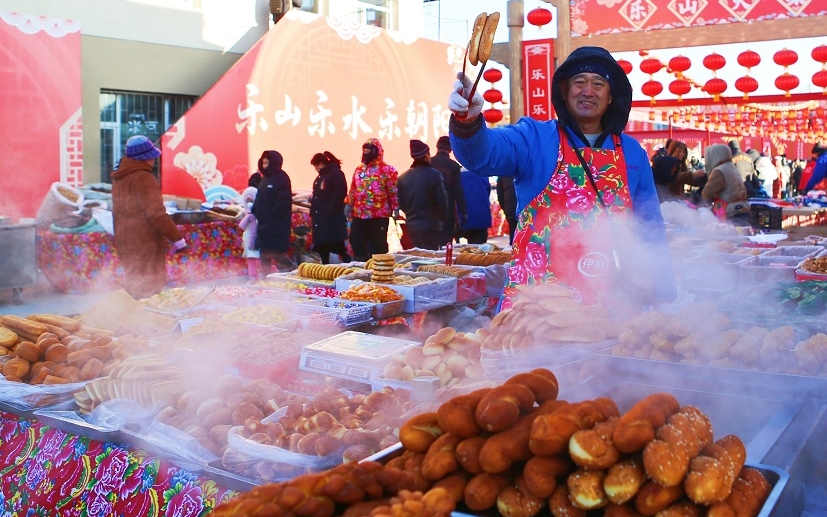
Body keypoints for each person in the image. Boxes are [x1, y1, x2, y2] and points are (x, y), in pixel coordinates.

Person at [448, 45, 676, 308]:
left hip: (611, 303)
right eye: (579, 82)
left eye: (599, 84)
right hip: (535, 305)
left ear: (612, 96)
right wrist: (468, 122)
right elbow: (483, 156)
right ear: (564, 91)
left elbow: (649, 227)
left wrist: (661, 294)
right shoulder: (533, 137)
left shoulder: (632, 152)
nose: (588, 91)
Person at [111, 135, 186, 299]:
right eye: (152, 156)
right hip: (144, 241)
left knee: (134, 281)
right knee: (148, 287)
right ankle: (147, 320)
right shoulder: (144, 178)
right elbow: (156, 213)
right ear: (145, 158)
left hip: (125, 239)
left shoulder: (120, 178)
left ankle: (131, 318)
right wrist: (177, 238)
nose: (154, 160)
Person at [346, 138, 398, 261]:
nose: (366, 153)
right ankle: (360, 264)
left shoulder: (388, 170)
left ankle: (379, 269)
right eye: (365, 150)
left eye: (370, 150)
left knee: (378, 246)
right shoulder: (359, 169)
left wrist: (396, 208)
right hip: (360, 215)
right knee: (355, 239)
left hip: (379, 216)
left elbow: (394, 192)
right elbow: (353, 188)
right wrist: (349, 204)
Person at [396, 140, 449, 250]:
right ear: (426, 156)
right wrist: (443, 219)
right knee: (430, 261)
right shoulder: (435, 175)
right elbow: (442, 201)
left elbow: (401, 203)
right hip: (432, 226)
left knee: (418, 258)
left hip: (412, 226)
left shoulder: (403, 178)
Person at [252, 150, 295, 275]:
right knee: (264, 253)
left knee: (276, 252)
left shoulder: (282, 178)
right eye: (263, 163)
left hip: (277, 224)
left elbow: (284, 201)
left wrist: (272, 213)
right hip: (264, 224)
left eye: (267, 163)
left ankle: (293, 270)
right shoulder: (264, 179)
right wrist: (255, 210)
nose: (265, 166)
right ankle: (265, 279)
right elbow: (259, 198)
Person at [309, 151, 351, 264]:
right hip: (321, 219)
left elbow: (339, 194)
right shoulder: (321, 177)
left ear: (323, 163)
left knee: (337, 247)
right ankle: (325, 267)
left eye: (317, 165)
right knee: (323, 247)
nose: (316, 168)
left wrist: (330, 210)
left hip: (331, 219)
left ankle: (347, 264)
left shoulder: (336, 174)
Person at [430, 135, 467, 245]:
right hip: (447, 210)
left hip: (429, 209)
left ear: (437, 147)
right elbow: (457, 191)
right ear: (450, 149)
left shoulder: (429, 163)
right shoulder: (454, 166)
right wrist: (463, 211)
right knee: (445, 244)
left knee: (430, 245)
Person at [701, 144, 750, 223]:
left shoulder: (719, 171)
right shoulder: (731, 167)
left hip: (729, 212)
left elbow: (707, 194)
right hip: (741, 207)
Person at [459, 168, 492, 244]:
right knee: (481, 244)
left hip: (466, 214)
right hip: (481, 213)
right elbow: (488, 189)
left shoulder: (460, 175)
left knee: (470, 242)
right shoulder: (482, 172)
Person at [238, 186, 261, 281]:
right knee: (251, 260)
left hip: (257, 240)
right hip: (249, 240)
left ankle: (266, 276)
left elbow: (241, 226)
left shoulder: (260, 212)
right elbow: (242, 226)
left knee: (259, 261)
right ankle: (253, 279)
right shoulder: (245, 213)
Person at [495, 176, 518, 244]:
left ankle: (513, 250)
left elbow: (500, 194)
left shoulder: (504, 173)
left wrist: (505, 208)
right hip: (525, 209)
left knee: (513, 233)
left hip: (510, 209)